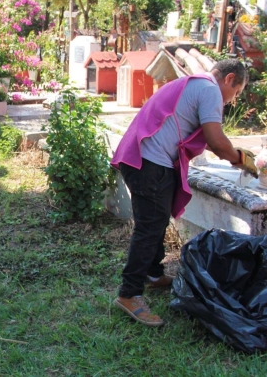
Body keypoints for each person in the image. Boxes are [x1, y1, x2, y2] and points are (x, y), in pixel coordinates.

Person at [110, 59, 258, 327]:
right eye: (236, 93)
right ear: (229, 79)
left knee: (156, 220)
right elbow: (215, 139)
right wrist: (239, 158)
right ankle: (129, 294)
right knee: (149, 228)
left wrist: (232, 153)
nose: (232, 101)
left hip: (144, 158)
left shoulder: (196, 84)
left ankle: (154, 275)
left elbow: (209, 139)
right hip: (149, 163)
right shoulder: (211, 90)